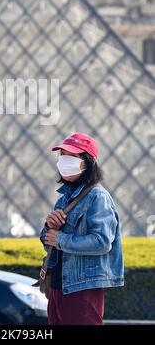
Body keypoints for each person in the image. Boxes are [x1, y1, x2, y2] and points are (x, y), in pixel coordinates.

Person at [40, 133, 124, 325]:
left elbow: (102, 242)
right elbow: (48, 242)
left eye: (71, 156)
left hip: (82, 288)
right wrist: (49, 227)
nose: (63, 161)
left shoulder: (97, 197)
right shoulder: (64, 199)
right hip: (58, 285)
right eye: (62, 155)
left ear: (88, 162)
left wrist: (61, 239)